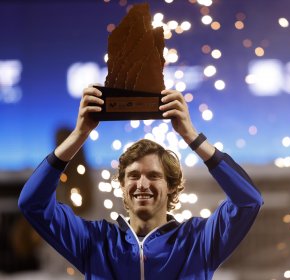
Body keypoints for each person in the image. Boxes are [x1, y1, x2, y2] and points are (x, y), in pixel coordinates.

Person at [18, 86, 263, 280]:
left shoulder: (198, 241)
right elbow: (33, 204)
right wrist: (79, 134)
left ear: (171, 186)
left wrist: (190, 135)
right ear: (122, 186)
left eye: (154, 176)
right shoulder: (96, 241)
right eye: (133, 176)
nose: (142, 184)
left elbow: (248, 202)